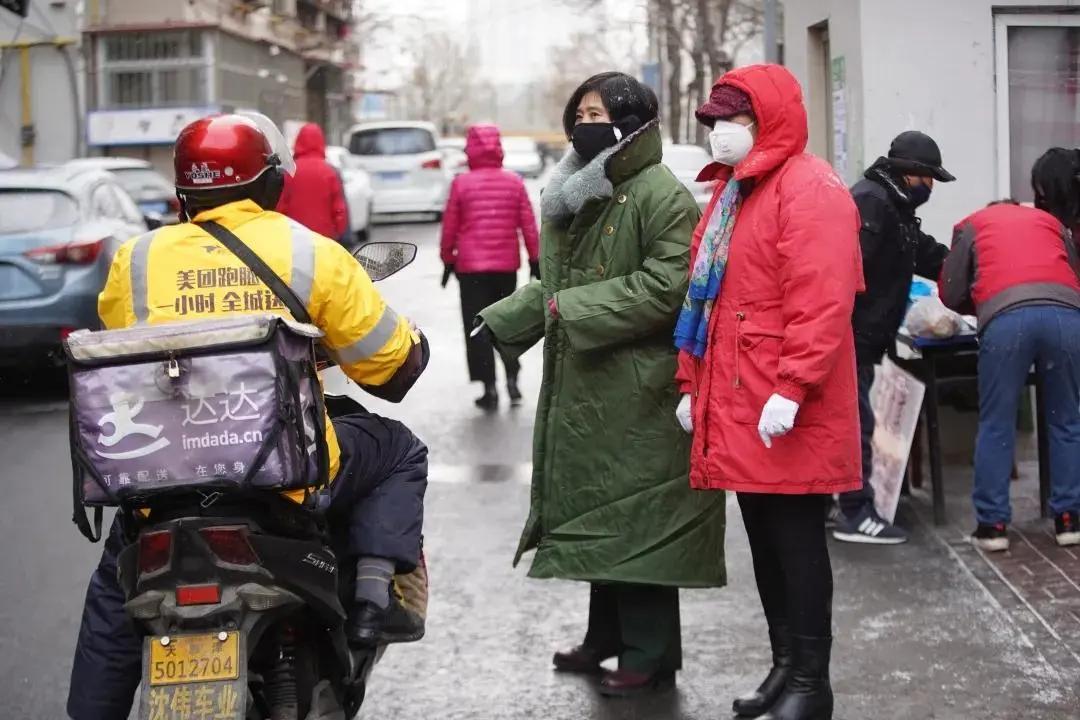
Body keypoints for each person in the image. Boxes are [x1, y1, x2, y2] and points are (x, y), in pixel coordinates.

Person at [68, 114, 429, 720]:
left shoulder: (136, 259)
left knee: (116, 585)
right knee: (398, 448)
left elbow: (120, 352)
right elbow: (392, 369)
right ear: (269, 185)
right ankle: (374, 595)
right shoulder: (309, 252)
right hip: (282, 481)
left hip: (161, 485)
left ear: (185, 193)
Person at [477, 72, 726, 697]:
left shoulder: (658, 194)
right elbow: (557, 282)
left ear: (634, 121)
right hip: (591, 379)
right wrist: (504, 320)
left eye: (598, 111)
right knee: (597, 509)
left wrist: (572, 309)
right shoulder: (576, 189)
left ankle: (651, 653)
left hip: (641, 388)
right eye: (579, 111)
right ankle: (606, 636)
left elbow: (669, 288)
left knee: (637, 515)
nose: (584, 122)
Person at [675, 65, 862, 720]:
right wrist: (689, 381)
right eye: (715, 120)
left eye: (733, 119)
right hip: (740, 400)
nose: (719, 132)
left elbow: (822, 300)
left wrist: (794, 385)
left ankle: (813, 683)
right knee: (763, 538)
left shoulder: (807, 188)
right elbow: (709, 301)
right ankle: (785, 667)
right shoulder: (737, 191)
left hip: (786, 405)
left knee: (797, 540)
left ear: (766, 121)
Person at [940, 147, 1080, 553]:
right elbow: (1070, 271)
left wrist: (985, 306)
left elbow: (950, 290)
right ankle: (1069, 519)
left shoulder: (973, 223)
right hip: (1067, 317)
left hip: (1008, 322)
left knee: (997, 423)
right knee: (1067, 420)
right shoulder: (1049, 222)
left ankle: (993, 525)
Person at [834, 131, 954, 545]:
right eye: (929, 179)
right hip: (848, 336)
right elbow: (847, 271)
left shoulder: (894, 205)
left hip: (865, 336)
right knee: (855, 423)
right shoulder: (872, 201)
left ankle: (843, 502)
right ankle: (856, 512)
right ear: (911, 174)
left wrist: (967, 268)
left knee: (852, 421)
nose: (932, 188)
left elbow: (922, 252)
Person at [440, 124, 540, 410]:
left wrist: (448, 259)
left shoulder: (461, 184)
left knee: (477, 327)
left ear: (470, 149)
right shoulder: (514, 182)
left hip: (470, 270)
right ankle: (512, 377)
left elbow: (450, 227)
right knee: (505, 322)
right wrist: (535, 259)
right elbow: (528, 225)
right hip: (505, 267)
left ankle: (489, 387)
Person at [276, 122, 349, 242]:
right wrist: (338, 234)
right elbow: (339, 209)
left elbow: (281, 207)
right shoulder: (330, 172)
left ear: (298, 142)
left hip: (295, 239)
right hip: (324, 240)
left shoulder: (289, 172)